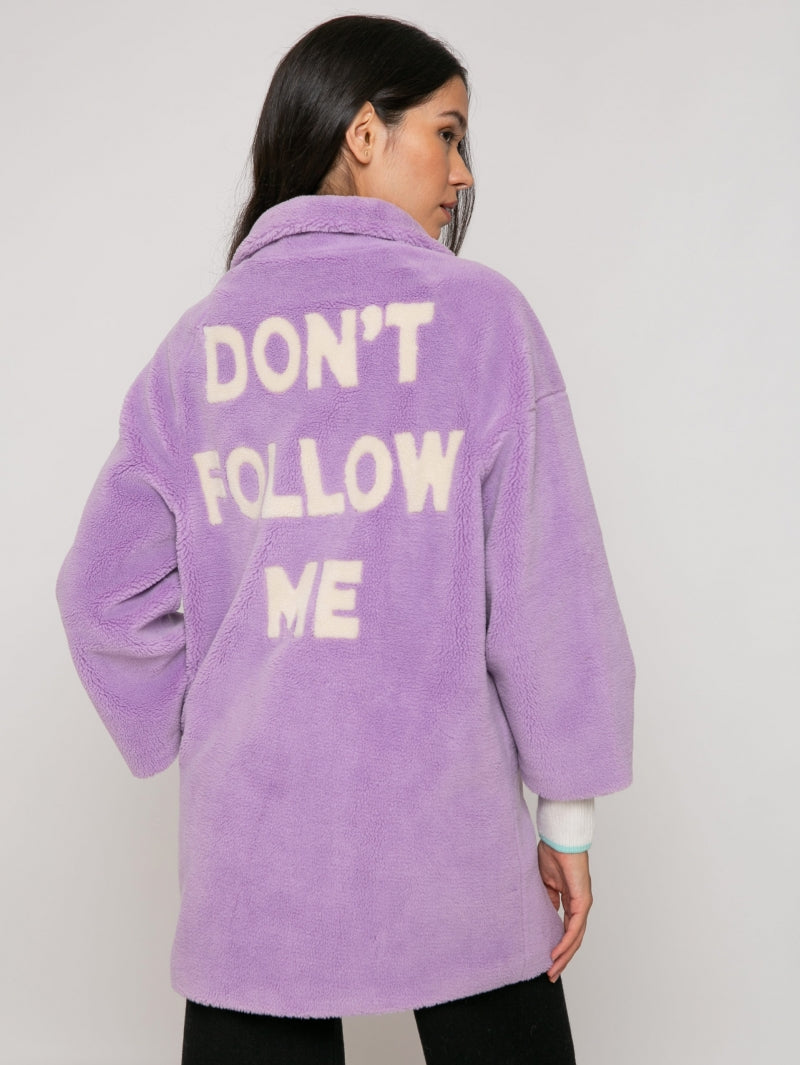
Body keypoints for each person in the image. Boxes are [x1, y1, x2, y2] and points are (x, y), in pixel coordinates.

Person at [56, 14, 635, 1065]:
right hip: (451, 839)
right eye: (447, 133)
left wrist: (210, 711)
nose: (461, 172)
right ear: (365, 133)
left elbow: (101, 596)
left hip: (252, 847)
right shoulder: (481, 319)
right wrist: (567, 822)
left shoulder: (201, 344)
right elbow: (549, 594)